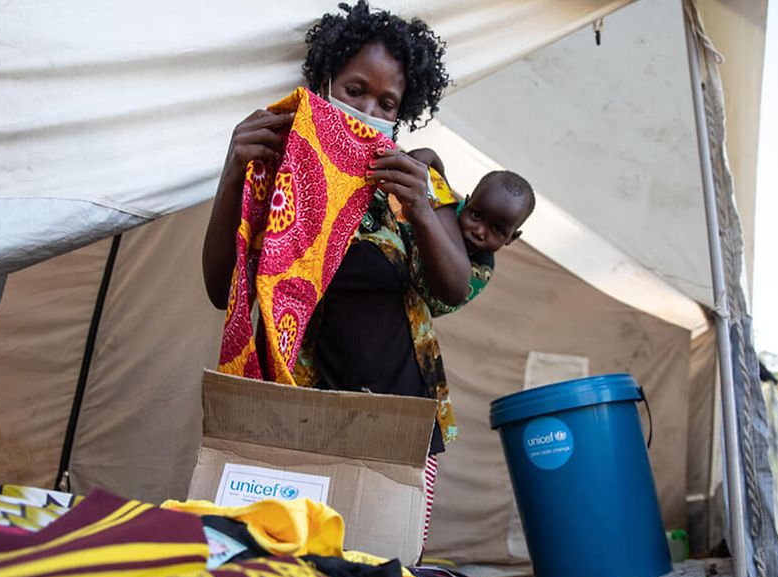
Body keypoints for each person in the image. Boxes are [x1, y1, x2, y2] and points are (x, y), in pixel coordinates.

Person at [201, 1, 465, 547]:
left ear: (403, 112)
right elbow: (218, 288)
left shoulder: (414, 179)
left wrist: (419, 206)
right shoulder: (281, 168)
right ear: (325, 82)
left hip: (398, 419)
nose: (369, 107)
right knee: (293, 561)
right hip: (298, 413)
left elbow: (455, 288)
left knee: (385, 564)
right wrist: (233, 172)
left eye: (386, 101)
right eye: (355, 89)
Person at [407, 147, 536, 315]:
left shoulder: (481, 270)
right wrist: (430, 156)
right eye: (476, 215)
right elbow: (437, 172)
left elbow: (448, 296)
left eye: (497, 229)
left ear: (511, 238)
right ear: (466, 203)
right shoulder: (450, 208)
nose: (479, 231)